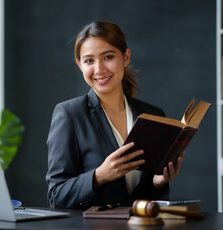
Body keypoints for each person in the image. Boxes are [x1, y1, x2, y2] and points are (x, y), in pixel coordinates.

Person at [46, 21, 184, 209]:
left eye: (108, 57)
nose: (99, 69)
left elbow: (143, 197)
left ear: (126, 57)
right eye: (89, 61)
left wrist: (157, 183)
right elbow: (56, 195)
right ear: (79, 65)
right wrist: (99, 176)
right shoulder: (69, 115)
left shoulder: (152, 115)